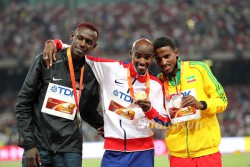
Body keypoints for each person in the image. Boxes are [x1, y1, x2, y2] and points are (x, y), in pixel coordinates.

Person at [44, 38, 170, 167]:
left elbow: (164, 123)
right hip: (113, 152)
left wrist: (149, 110)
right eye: (138, 56)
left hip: (143, 152)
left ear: (153, 58)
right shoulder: (111, 69)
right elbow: (82, 56)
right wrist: (55, 43)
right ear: (131, 54)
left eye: (147, 57)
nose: (142, 61)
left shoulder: (156, 85)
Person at [15, 22, 104, 167]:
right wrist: (28, 144)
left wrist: (106, 126)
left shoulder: (91, 74)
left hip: (70, 150)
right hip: (39, 145)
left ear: (94, 46)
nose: (83, 44)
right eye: (80, 38)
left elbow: (87, 111)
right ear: (72, 36)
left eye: (89, 42)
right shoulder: (47, 59)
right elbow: (23, 103)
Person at [148, 36, 228, 167]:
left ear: (176, 53)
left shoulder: (199, 69)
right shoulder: (158, 82)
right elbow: (162, 118)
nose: (163, 62)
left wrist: (202, 104)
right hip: (178, 155)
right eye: (158, 59)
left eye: (167, 56)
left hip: (207, 152)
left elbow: (222, 101)